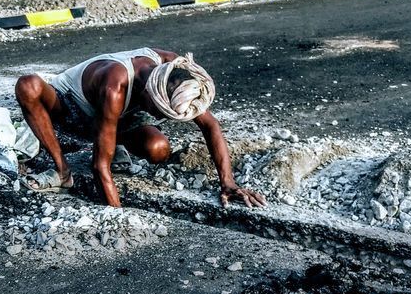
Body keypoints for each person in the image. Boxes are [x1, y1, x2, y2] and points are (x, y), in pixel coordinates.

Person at [14, 48, 266, 209]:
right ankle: (62, 171)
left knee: (158, 149)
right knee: (28, 85)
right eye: (159, 112)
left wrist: (228, 183)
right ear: (149, 94)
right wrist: (118, 215)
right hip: (72, 109)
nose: (158, 118)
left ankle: (112, 140)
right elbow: (99, 166)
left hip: (115, 116)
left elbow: (210, 125)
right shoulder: (115, 85)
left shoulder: (174, 69)